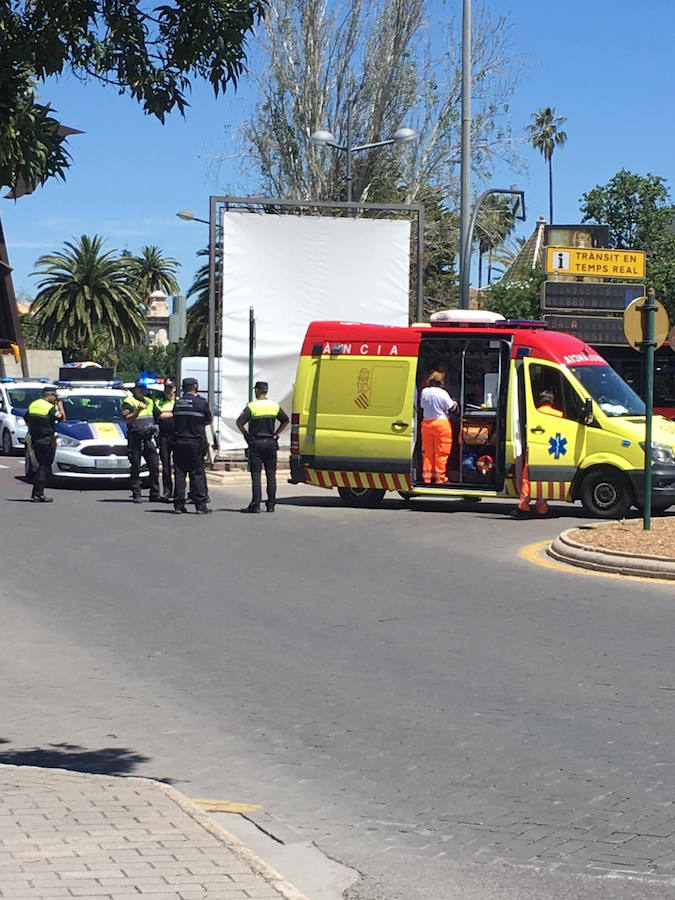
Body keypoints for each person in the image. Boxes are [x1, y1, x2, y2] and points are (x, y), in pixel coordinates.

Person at [237, 381, 289, 513]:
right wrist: (276, 433)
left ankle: (256, 504)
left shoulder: (252, 406)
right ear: (266, 391)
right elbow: (285, 420)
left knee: (256, 475)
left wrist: (247, 435)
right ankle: (271, 504)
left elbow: (239, 422)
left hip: (256, 442)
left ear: (256, 391)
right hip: (271, 442)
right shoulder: (274, 406)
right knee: (271, 475)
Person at [172, 377, 212, 514]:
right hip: (195, 442)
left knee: (179, 473)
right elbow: (208, 420)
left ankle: (178, 505)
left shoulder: (177, 404)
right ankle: (200, 505)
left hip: (179, 442)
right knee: (197, 474)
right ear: (196, 386)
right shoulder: (201, 403)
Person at [122, 380, 160, 503]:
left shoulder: (149, 401)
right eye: (140, 388)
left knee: (154, 466)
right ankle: (136, 493)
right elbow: (127, 419)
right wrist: (137, 410)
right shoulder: (129, 402)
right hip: (135, 438)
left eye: (144, 388)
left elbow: (158, 416)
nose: (142, 391)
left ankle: (154, 493)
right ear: (135, 389)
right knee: (136, 467)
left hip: (148, 437)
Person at [25, 385, 65, 503]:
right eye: (55, 396)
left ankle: (36, 493)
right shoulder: (49, 408)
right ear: (49, 396)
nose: (56, 398)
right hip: (47, 439)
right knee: (44, 466)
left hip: (35, 438)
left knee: (39, 465)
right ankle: (38, 494)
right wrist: (60, 407)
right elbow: (62, 418)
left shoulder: (33, 404)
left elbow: (26, 418)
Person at [419, 371, 458, 485]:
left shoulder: (424, 392)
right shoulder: (442, 393)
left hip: (426, 424)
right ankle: (440, 478)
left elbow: (422, 406)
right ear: (441, 382)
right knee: (441, 453)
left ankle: (427, 477)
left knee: (427, 452)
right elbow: (452, 408)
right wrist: (455, 403)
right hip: (441, 424)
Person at [154, 380, 176, 501]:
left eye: (171, 388)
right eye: (167, 388)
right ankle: (168, 491)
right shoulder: (158, 401)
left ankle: (179, 491)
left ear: (175, 389)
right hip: (164, 436)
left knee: (179, 465)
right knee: (166, 465)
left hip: (177, 435)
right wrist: (174, 413)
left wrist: (168, 414)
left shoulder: (178, 401)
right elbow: (160, 415)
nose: (168, 390)